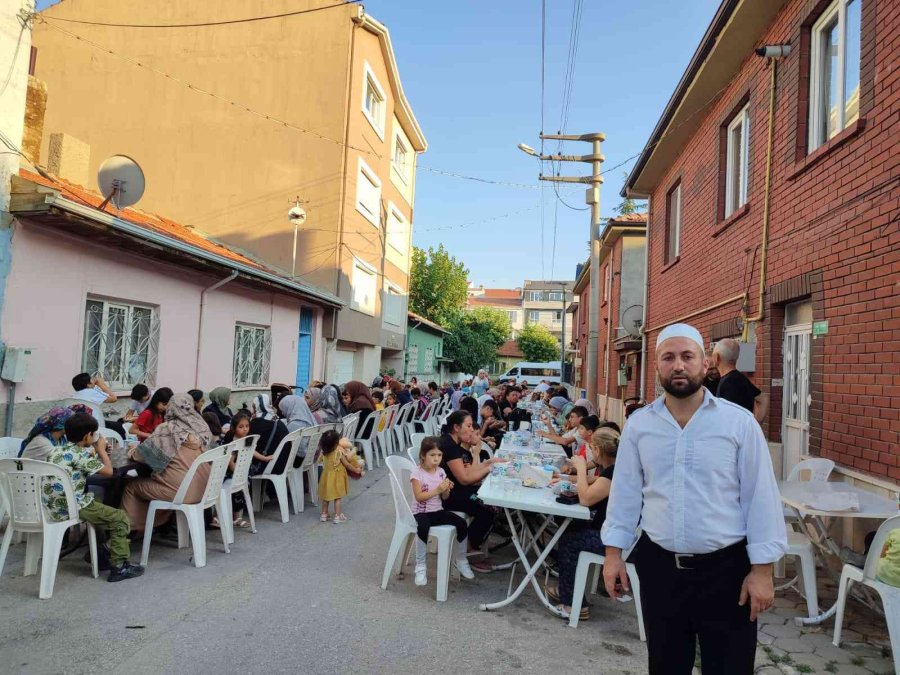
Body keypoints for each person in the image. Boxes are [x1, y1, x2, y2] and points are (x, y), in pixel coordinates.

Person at [601, 323, 787, 675]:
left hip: (727, 573)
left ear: (705, 363)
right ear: (657, 366)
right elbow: (624, 496)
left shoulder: (739, 424)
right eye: (668, 357)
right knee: (666, 666)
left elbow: (760, 498)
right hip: (660, 571)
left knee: (730, 667)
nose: (678, 365)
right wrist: (613, 555)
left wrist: (762, 571)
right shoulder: (640, 426)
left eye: (687, 356)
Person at [45, 412, 144, 581]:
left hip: (52, 506)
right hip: (74, 506)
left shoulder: (57, 450)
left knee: (102, 509)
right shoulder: (81, 455)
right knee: (119, 518)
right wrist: (100, 449)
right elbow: (109, 472)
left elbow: (80, 463)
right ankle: (119, 566)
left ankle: (102, 554)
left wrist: (97, 452)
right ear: (87, 436)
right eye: (95, 434)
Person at [546, 426, 620, 618]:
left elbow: (586, 498)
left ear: (597, 450)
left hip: (614, 540)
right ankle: (568, 589)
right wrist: (561, 477)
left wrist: (579, 467)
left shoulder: (614, 473)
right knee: (569, 525)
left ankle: (574, 604)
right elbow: (591, 481)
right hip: (610, 532)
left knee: (571, 539)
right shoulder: (613, 469)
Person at [121, 393, 213, 533]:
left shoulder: (167, 429)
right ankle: (153, 526)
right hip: (205, 488)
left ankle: (127, 531)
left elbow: (143, 456)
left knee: (131, 486)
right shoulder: (201, 426)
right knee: (160, 480)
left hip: (181, 491)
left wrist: (133, 451)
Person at [439, 410, 506, 571]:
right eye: (468, 426)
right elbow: (465, 479)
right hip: (447, 496)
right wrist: (490, 467)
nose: (471, 430)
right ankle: (468, 548)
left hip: (455, 490)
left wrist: (490, 461)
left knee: (490, 502)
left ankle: (469, 544)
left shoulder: (451, 443)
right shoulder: (449, 447)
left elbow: (467, 473)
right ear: (456, 427)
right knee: (490, 507)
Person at [410, 436, 476, 584]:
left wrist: (446, 489)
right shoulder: (417, 473)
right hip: (421, 512)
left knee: (461, 523)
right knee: (423, 527)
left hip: (437, 511)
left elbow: (445, 498)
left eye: (439, 455)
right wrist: (437, 489)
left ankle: (461, 559)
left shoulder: (440, 472)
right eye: (432, 455)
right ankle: (420, 565)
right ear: (423, 455)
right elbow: (419, 497)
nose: (436, 458)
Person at [713, 338, 768, 423]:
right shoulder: (739, 378)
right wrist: (755, 425)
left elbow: (726, 417)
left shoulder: (729, 382)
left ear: (716, 357)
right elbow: (763, 398)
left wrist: (755, 425)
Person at [318, 429, 353, 523]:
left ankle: (324, 514)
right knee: (337, 497)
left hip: (326, 477)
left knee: (326, 497)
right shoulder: (338, 452)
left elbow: (319, 461)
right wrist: (355, 469)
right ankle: (337, 516)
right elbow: (347, 464)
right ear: (336, 443)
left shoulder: (324, 453)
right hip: (337, 479)